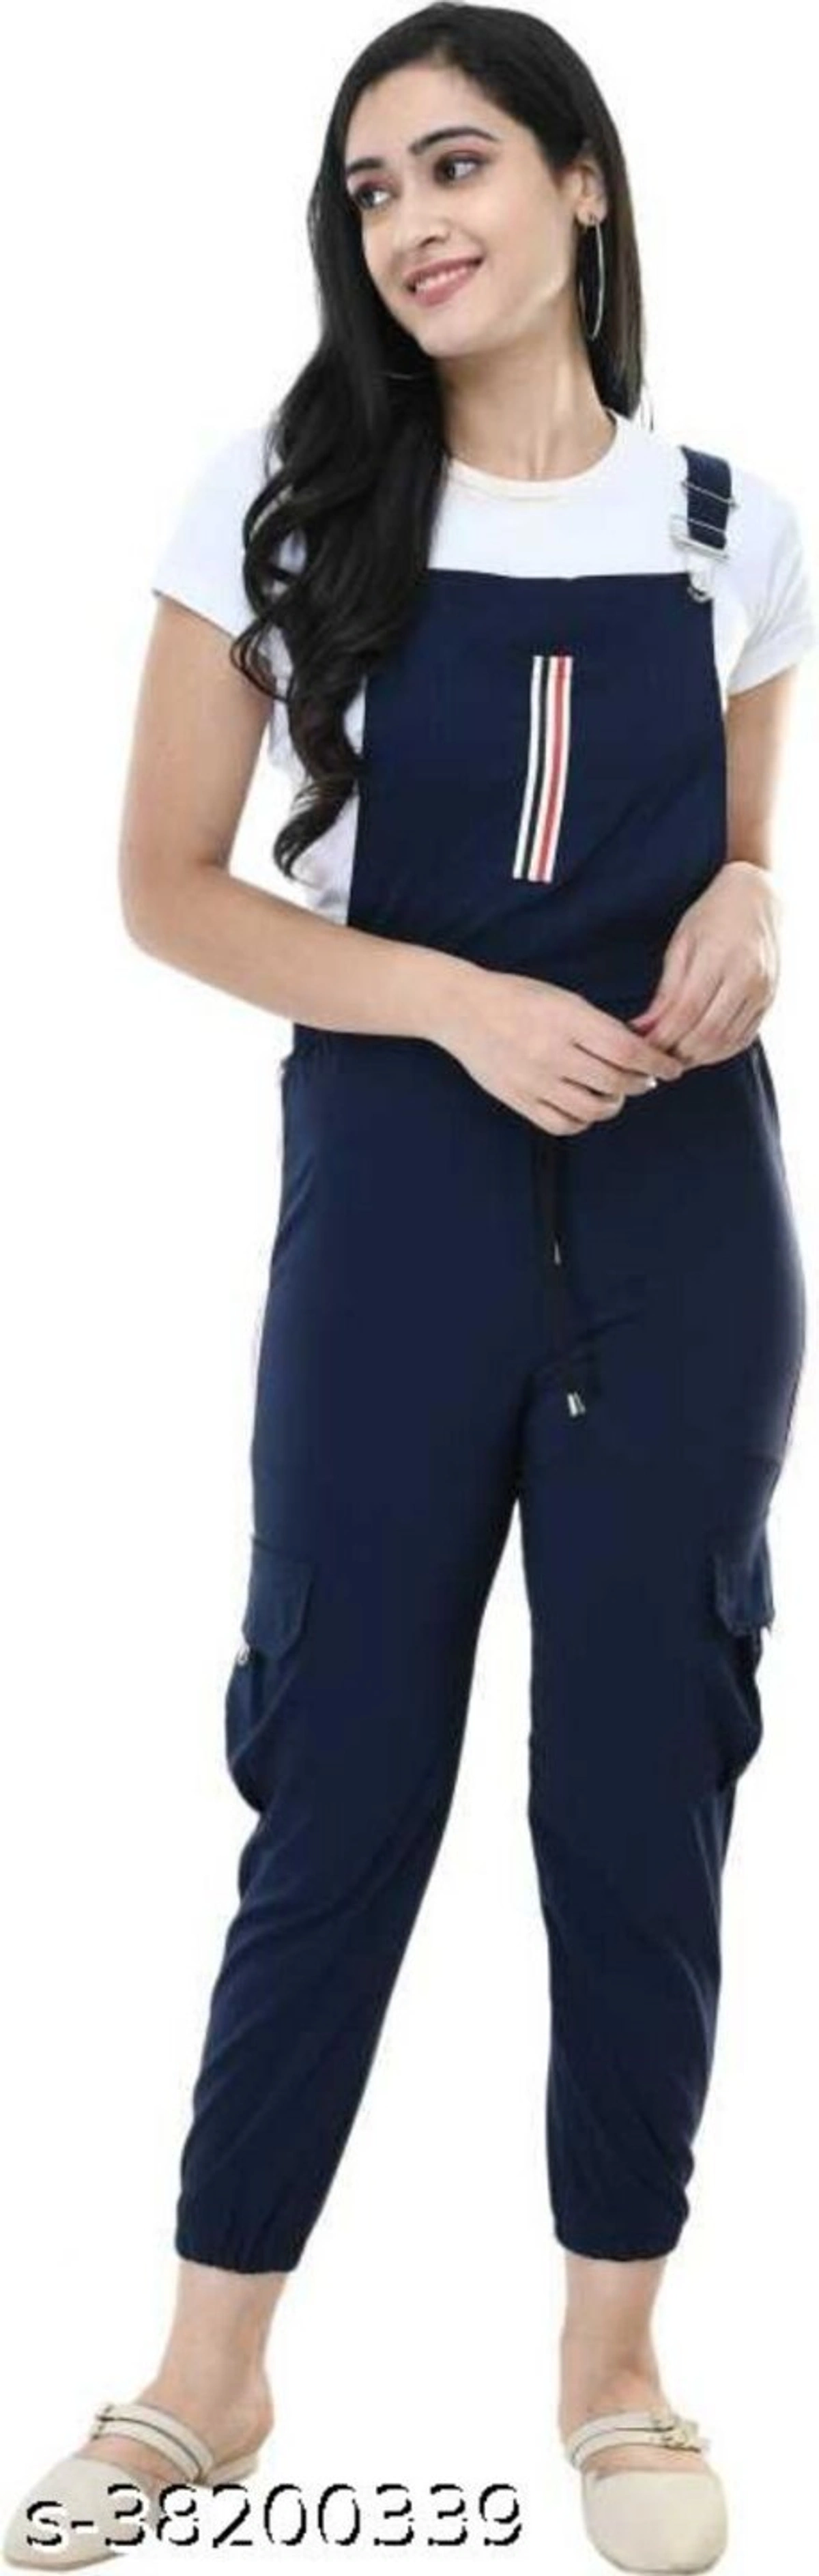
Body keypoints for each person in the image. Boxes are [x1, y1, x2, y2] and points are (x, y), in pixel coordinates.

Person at [5, 9, 815, 2573]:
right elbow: (165, 887)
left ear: (583, 184)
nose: (409, 224)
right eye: (368, 191)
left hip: (682, 1216)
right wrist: (456, 1002)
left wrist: (753, 905)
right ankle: (208, 2370)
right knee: (339, 1754)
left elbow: (743, 855)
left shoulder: (731, 519)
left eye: (456, 166)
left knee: (644, 1779)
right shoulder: (284, 498)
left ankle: (617, 2363)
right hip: (400, 1198)